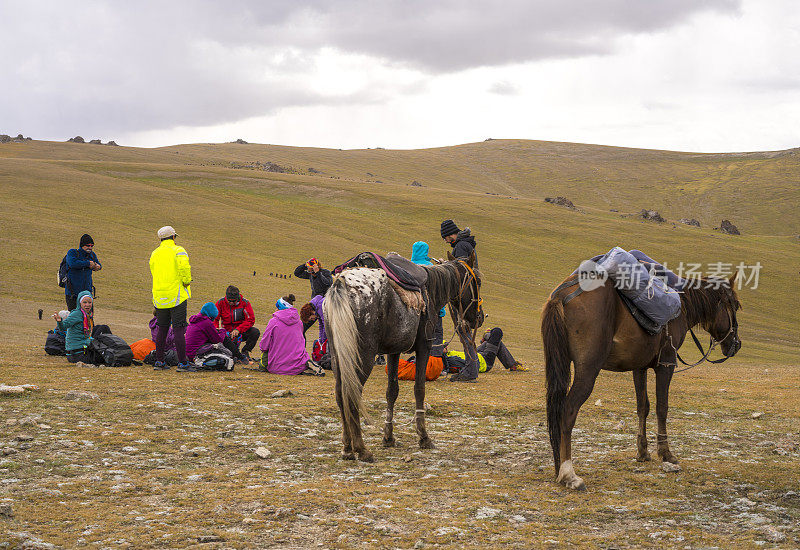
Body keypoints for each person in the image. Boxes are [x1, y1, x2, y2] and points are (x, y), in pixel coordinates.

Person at [440, 221, 481, 382]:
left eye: (445, 237)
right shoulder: (465, 244)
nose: (445, 241)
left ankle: (470, 372)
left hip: (463, 295)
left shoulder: (461, 246)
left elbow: (461, 271)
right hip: (469, 292)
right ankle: (472, 368)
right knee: (465, 331)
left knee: (463, 329)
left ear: (451, 234)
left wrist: (445, 266)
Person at [149, 225, 192, 372]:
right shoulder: (178, 250)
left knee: (162, 328)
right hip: (177, 295)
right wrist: (186, 282)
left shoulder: (154, 253)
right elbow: (185, 269)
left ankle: (159, 361)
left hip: (160, 296)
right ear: (173, 237)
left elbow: (153, 271)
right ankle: (183, 363)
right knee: (179, 328)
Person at [259, 296, 323, 375]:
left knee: (263, 362)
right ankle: (306, 363)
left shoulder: (273, 322)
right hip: (297, 366)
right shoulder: (299, 322)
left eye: (277, 307)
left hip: (277, 367)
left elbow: (264, 345)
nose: (276, 310)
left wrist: (265, 350)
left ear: (281, 308)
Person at [52, 290, 110, 365]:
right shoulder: (77, 314)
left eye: (89, 302)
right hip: (77, 354)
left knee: (102, 328)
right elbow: (63, 327)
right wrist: (59, 321)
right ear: (79, 303)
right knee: (106, 357)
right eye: (84, 302)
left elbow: (85, 336)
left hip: (82, 349)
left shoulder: (87, 315)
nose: (87, 305)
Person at [183, 302, 236, 370]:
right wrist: (223, 331)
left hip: (188, 354)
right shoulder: (206, 322)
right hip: (197, 353)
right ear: (210, 316)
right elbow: (218, 340)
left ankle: (238, 356)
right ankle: (239, 357)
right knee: (223, 341)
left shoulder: (195, 321)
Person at [215, 285, 259, 364]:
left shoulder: (245, 303)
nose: (231, 303)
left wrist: (238, 329)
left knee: (255, 332)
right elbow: (215, 318)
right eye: (229, 301)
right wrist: (216, 329)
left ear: (238, 298)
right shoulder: (220, 303)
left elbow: (250, 319)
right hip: (226, 332)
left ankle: (245, 351)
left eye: (234, 301)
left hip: (241, 331)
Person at [64, 234, 101, 310]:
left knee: (88, 318)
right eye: (88, 245)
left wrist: (97, 266)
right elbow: (72, 263)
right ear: (82, 245)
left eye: (91, 246)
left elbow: (99, 265)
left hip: (87, 293)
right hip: (73, 293)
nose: (90, 248)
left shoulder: (92, 255)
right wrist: (88, 263)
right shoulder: (73, 252)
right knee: (74, 317)